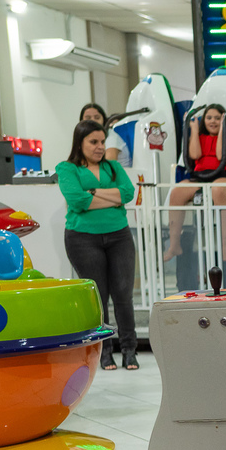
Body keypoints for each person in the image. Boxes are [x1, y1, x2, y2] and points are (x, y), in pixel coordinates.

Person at [57, 119, 141, 371]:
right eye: (93, 142)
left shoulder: (114, 167)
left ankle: (129, 350)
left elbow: (127, 194)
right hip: (83, 239)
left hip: (119, 236)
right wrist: (109, 197)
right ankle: (104, 351)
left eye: (102, 142)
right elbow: (77, 200)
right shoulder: (66, 168)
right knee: (98, 297)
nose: (99, 147)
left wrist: (94, 192)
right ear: (79, 143)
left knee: (123, 296)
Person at [164, 104, 226, 263]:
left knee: (218, 191)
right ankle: (174, 244)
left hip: (223, 175)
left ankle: (225, 245)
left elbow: (221, 155)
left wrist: (223, 130)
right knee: (177, 192)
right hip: (200, 176)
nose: (213, 121)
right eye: (209, 118)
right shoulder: (200, 137)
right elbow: (194, 154)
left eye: (218, 118)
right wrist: (194, 130)